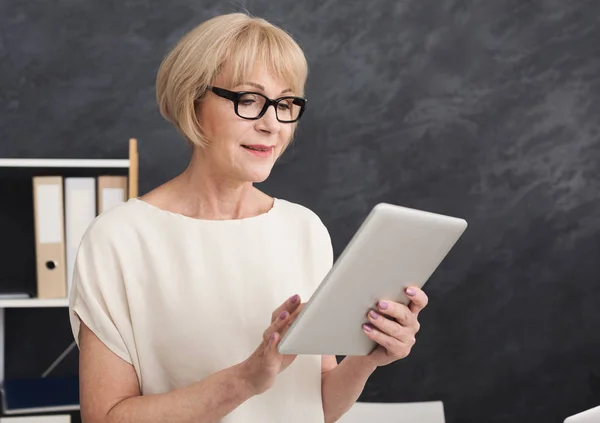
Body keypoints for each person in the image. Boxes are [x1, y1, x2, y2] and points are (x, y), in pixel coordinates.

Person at [68, 12, 428, 423]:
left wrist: (367, 358)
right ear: (193, 102)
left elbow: (318, 405)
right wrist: (244, 380)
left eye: (286, 103)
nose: (272, 124)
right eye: (250, 100)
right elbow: (106, 418)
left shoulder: (304, 229)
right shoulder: (119, 239)